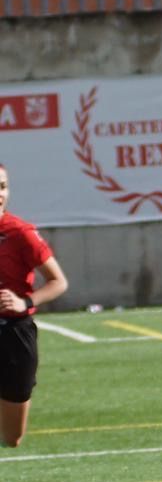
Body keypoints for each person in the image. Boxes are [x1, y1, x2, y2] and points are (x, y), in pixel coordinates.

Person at [0, 163, 69, 448]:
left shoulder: (20, 233)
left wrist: (24, 302)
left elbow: (58, 282)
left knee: (11, 438)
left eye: (2, 186)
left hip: (15, 334)